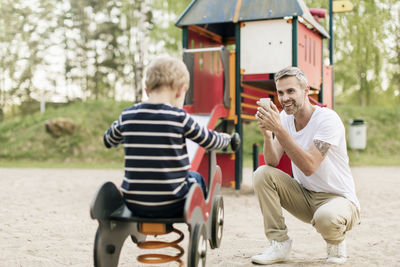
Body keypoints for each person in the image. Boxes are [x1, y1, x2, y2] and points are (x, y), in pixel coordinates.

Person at [251, 66, 360, 264]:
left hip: (338, 200)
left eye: (291, 91)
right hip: (306, 196)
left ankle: (336, 244)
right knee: (262, 174)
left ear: (305, 90)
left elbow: (309, 166)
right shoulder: (285, 119)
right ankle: (279, 243)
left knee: (326, 218)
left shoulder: (328, 120)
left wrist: (279, 130)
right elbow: (273, 161)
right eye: (280, 93)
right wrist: (268, 135)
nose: (284, 98)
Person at [103, 56, 231, 218]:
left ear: (147, 90)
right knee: (196, 177)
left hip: (134, 203)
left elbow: (109, 140)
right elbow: (210, 140)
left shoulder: (128, 115)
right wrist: (227, 138)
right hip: (174, 203)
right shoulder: (179, 117)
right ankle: (203, 216)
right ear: (179, 90)